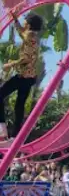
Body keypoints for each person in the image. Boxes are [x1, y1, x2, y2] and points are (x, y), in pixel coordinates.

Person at [0, 11, 43, 140]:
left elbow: (25, 59)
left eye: (25, 21)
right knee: (19, 106)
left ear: (29, 24)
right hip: (30, 78)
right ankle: (16, 136)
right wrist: (14, 18)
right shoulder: (34, 36)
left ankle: (2, 128)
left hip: (23, 76)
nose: (24, 23)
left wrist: (11, 64)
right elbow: (20, 31)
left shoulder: (29, 35)